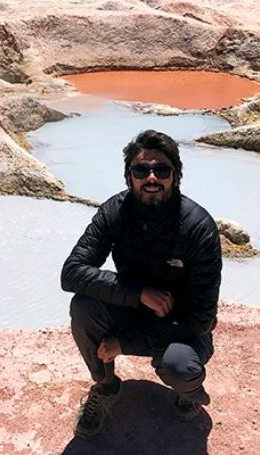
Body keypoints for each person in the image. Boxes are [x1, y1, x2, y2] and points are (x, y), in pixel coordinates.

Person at [61, 129, 222, 438]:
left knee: (179, 365)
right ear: (128, 176)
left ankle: (188, 393)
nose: (152, 178)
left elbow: (201, 319)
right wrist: (139, 294)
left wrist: (126, 344)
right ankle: (105, 386)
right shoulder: (114, 212)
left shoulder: (198, 227)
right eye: (141, 170)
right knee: (83, 306)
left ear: (176, 176)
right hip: (133, 309)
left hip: (182, 325)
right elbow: (71, 273)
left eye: (162, 170)